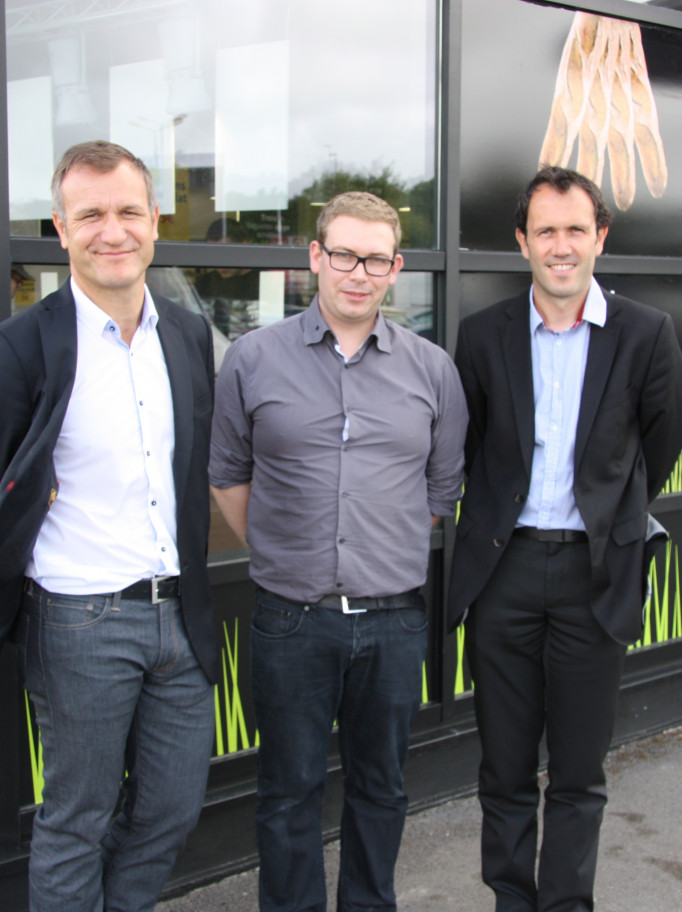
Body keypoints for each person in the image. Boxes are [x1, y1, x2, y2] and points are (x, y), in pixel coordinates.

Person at [0, 141, 219, 912]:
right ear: (61, 227)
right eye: (90, 214)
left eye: (127, 211)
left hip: (180, 616)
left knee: (172, 808)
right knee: (77, 820)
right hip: (81, 618)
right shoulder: (18, 347)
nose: (110, 230)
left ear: (155, 221)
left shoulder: (185, 336)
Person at [209, 191, 468, 912]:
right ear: (316, 258)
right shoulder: (253, 360)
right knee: (287, 791)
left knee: (381, 787)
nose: (358, 272)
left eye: (375, 259)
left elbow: (440, 487)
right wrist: (283, 544)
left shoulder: (432, 370)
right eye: (344, 255)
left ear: (396, 269)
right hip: (291, 619)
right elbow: (229, 474)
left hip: (394, 621)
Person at [448, 166, 682, 912]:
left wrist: (612, 513)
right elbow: (474, 444)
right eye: (545, 230)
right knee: (506, 769)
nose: (561, 245)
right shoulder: (482, 335)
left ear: (599, 238)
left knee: (581, 774)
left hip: (594, 573)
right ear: (523, 240)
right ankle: (512, 902)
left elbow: (663, 438)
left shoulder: (646, 332)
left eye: (575, 230)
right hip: (507, 573)